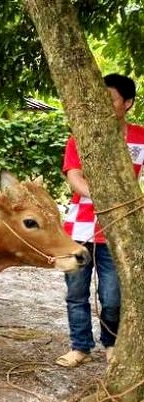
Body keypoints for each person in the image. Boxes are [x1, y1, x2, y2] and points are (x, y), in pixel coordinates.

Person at [56, 73, 144, 368]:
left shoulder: (140, 137)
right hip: (78, 229)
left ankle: (111, 345)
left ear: (128, 103)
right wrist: (108, 197)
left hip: (118, 231)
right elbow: (74, 177)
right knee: (76, 292)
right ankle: (79, 347)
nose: (103, 106)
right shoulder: (79, 136)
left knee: (113, 295)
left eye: (112, 99)